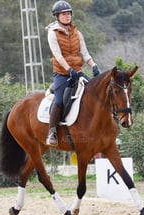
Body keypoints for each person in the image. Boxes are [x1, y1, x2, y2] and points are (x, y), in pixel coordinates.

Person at [45, 0, 100, 146]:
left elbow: (85, 54)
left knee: (96, 94)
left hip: (78, 72)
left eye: (68, 13)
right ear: (57, 16)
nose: (67, 16)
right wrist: (68, 69)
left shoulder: (77, 33)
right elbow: (58, 56)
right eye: (63, 14)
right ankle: (52, 132)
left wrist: (94, 66)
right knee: (59, 101)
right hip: (62, 74)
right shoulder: (52, 33)